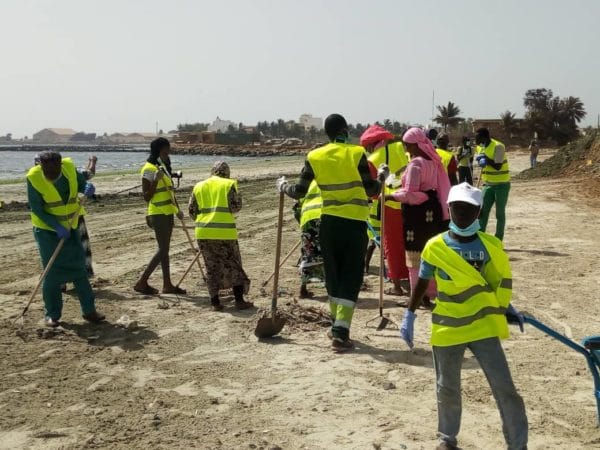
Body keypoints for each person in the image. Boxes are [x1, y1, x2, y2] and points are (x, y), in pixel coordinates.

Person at [399, 182, 528, 450]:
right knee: (447, 389)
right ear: (448, 208)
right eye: (457, 208)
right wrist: (409, 313)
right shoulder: (435, 247)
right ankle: (447, 439)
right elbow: (422, 282)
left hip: (483, 326)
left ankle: (518, 444)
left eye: (468, 209)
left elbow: (496, 283)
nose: (461, 214)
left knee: (505, 389)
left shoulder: (490, 247)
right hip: (448, 329)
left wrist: (506, 307)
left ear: (479, 211)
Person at [278, 113, 381, 352]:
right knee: (351, 276)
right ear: (345, 130)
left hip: (329, 224)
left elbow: (300, 191)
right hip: (354, 225)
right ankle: (340, 332)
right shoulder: (356, 153)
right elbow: (371, 188)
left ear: (326, 133)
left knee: (333, 276)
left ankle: (337, 325)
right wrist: (383, 178)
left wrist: (282, 186)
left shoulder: (314, 156)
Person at [26, 151, 104, 327]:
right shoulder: (34, 177)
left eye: (54, 170)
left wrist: (87, 190)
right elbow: (37, 208)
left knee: (79, 267)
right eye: (47, 171)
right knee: (51, 271)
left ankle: (89, 310)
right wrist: (57, 226)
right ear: (41, 166)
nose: (51, 174)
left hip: (72, 225)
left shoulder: (68, 168)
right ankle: (52, 314)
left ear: (60, 165)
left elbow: (81, 185)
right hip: (47, 230)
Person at [385, 127, 450, 307]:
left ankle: (417, 295)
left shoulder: (416, 164)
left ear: (414, 145)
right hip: (433, 212)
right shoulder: (433, 161)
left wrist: (390, 196)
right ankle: (430, 292)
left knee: (414, 256)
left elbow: (412, 194)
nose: (405, 149)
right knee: (430, 253)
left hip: (417, 215)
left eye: (407, 146)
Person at [189, 161, 252, 311]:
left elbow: (192, 211)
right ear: (227, 173)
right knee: (234, 264)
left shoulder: (198, 186)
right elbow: (235, 207)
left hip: (203, 232)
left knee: (211, 267)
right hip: (225, 233)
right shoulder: (228, 184)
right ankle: (239, 301)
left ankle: (215, 302)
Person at [361, 125, 410, 295]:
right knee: (409, 241)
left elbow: (373, 192)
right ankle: (412, 277)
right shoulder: (401, 147)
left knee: (392, 244)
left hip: (389, 204)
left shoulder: (373, 159)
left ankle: (397, 285)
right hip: (410, 201)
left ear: (372, 144)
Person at [134, 137, 186, 295]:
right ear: (158, 151)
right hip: (157, 213)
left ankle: (167, 285)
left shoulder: (162, 167)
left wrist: (177, 210)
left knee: (165, 250)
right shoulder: (149, 169)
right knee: (163, 249)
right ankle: (142, 282)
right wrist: (155, 180)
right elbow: (146, 196)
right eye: (165, 151)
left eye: (168, 151)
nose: (167, 154)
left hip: (167, 212)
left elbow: (169, 191)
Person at [474, 127, 511, 241]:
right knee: (482, 212)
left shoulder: (498, 146)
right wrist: (480, 160)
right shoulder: (480, 147)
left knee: (499, 214)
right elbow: (482, 161)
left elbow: (498, 166)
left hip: (501, 184)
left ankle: (498, 239)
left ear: (485, 137)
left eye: (478, 136)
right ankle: (480, 238)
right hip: (488, 184)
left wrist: (486, 159)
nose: (475, 139)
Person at [293, 180, 325, 298]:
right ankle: (331, 286)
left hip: (307, 220)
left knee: (308, 253)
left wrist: (303, 226)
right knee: (328, 252)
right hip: (325, 217)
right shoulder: (330, 179)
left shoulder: (306, 184)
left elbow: (296, 209)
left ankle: (303, 289)